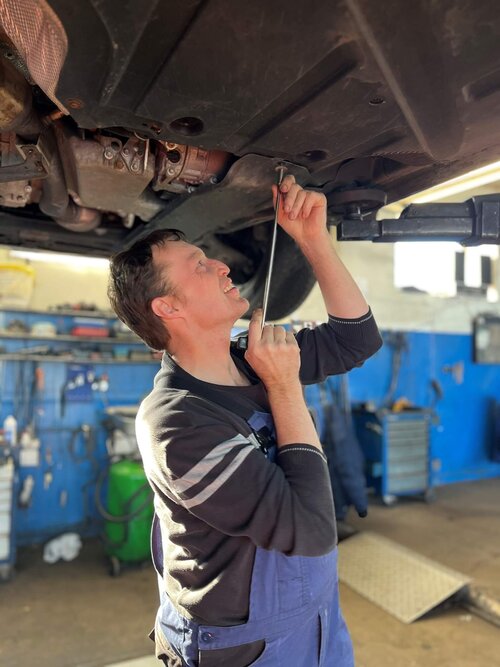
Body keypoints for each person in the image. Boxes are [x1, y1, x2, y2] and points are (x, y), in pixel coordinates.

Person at [107, 175, 382, 667]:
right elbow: (310, 531)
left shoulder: (248, 357)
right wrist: (284, 385)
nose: (221, 265)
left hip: (315, 621)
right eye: (199, 265)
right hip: (244, 649)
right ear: (168, 307)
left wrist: (313, 239)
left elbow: (356, 340)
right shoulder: (175, 422)